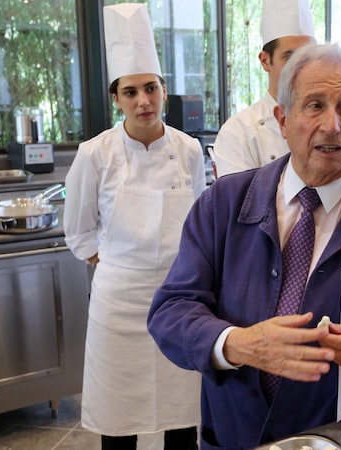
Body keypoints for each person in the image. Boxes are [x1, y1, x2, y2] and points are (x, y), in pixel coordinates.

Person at [147, 43, 341, 449]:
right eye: (314, 105)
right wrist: (237, 344)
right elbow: (171, 311)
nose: (332, 125)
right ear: (283, 119)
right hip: (237, 434)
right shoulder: (223, 204)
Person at [63, 4, 205, 449]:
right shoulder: (95, 154)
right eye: (130, 92)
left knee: (182, 417)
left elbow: (200, 226)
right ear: (116, 98)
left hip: (178, 299)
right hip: (118, 305)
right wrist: (117, 265)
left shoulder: (189, 151)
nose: (143, 100)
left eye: (150, 88)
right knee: (118, 420)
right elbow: (79, 231)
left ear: (163, 90)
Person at [210, 0, 316, 176]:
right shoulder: (238, 131)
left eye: (308, 57)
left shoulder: (329, 124)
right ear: (265, 61)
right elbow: (236, 200)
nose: (301, 68)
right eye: (290, 57)